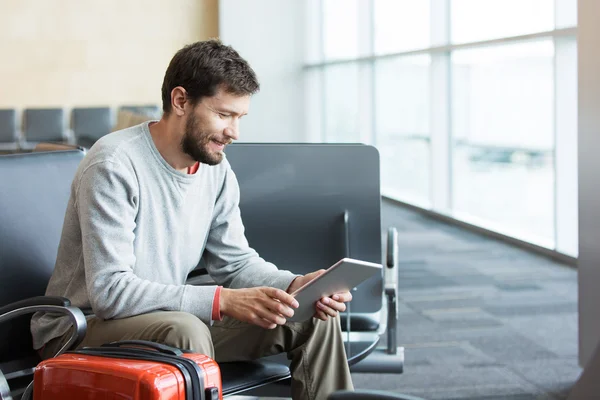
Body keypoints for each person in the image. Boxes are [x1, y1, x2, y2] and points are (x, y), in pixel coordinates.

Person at [30, 39, 354, 400]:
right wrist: (222, 301)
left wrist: (294, 286)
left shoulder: (215, 169)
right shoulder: (114, 165)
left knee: (310, 317)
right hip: (81, 329)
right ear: (180, 101)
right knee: (186, 329)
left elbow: (235, 262)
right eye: (223, 114)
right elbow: (110, 293)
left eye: (239, 117)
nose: (235, 132)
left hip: (164, 318)